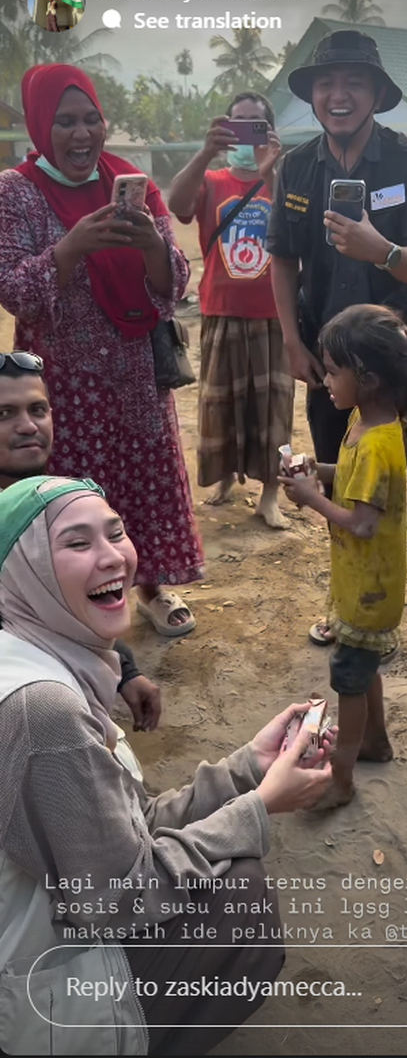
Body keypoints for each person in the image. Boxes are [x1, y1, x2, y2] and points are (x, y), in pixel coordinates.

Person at [0, 474, 333, 1055]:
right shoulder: (45, 711)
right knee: (241, 898)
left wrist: (249, 768)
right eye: (76, 543)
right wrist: (260, 807)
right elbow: (117, 899)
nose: (113, 557)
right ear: (23, 573)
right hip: (35, 988)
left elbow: (127, 827)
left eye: (116, 533)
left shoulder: (35, 657)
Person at [0, 63, 203, 638]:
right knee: (71, 493)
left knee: (143, 484)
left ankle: (152, 587)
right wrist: (71, 248)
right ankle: (68, 601)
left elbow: (174, 283)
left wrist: (153, 247)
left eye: (91, 118)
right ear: (40, 124)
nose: (82, 133)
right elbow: (14, 291)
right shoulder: (14, 191)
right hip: (64, 383)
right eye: (65, 121)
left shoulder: (133, 184)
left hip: (137, 371)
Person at [267, 28, 407, 644]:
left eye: (353, 83)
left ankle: (378, 596)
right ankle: (348, 597)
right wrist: (292, 341)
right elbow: (282, 259)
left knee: (378, 479)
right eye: (326, 83)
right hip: (326, 358)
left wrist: (381, 249)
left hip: (392, 362)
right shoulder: (295, 167)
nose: (338, 95)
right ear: (312, 95)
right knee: (334, 466)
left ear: (375, 94)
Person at [280, 304, 407, 809]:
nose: (325, 381)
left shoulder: (378, 444)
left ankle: (340, 779)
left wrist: (310, 499)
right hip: (362, 582)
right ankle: (374, 742)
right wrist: (314, 472)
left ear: (368, 379)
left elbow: (362, 524)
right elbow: (348, 477)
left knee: (347, 678)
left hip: (370, 589)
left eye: (333, 371)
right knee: (364, 672)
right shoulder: (366, 423)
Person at [0, 348, 160, 730]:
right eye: (4, 414)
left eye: (37, 410)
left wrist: (124, 670)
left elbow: (65, 601)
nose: (28, 426)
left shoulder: (53, 500)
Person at [168, 92, 293, 529]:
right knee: (220, 403)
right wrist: (205, 152)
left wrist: (271, 172)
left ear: (270, 130)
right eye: (236, 122)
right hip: (220, 310)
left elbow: (297, 228)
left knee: (273, 408)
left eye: (255, 123)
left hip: (274, 314)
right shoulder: (212, 180)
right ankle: (224, 479)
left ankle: (270, 495)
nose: (244, 132)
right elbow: (177, 206)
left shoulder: (283, 179)